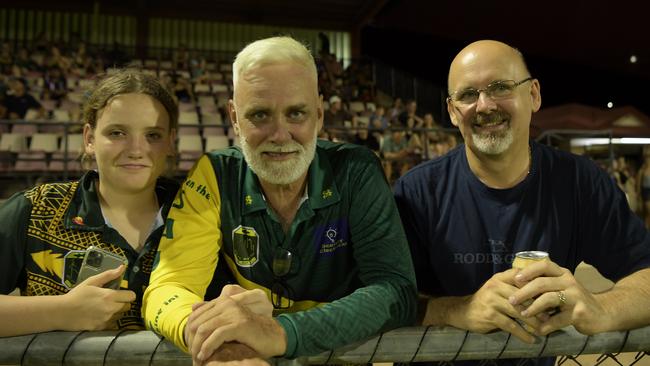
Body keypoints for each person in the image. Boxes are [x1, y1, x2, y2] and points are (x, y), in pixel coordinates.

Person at [143, 36, 416, 364]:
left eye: (296, 114)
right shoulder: (214, 174)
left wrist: (279, 333)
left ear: (319, 113)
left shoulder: (356, 170)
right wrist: (209, 336)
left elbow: (396, 292)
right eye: (259, 115)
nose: (280, 135)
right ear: (233, 116)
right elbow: (166, 289)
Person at [394, 40, 650, 366]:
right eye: (468, 94)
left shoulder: (578, 182)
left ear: (534, 95)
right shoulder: (417, 192)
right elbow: (384, 298)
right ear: (453, 112)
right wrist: (457, 309)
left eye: (500, 87)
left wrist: (602, 308)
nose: (484, 105)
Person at [0, 69, 179, 336]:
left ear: (170, 142)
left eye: (153, 135)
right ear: (89, 139)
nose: (136, 149)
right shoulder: (36, 208)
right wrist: (60, 311)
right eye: (117, 133)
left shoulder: (201, 212)